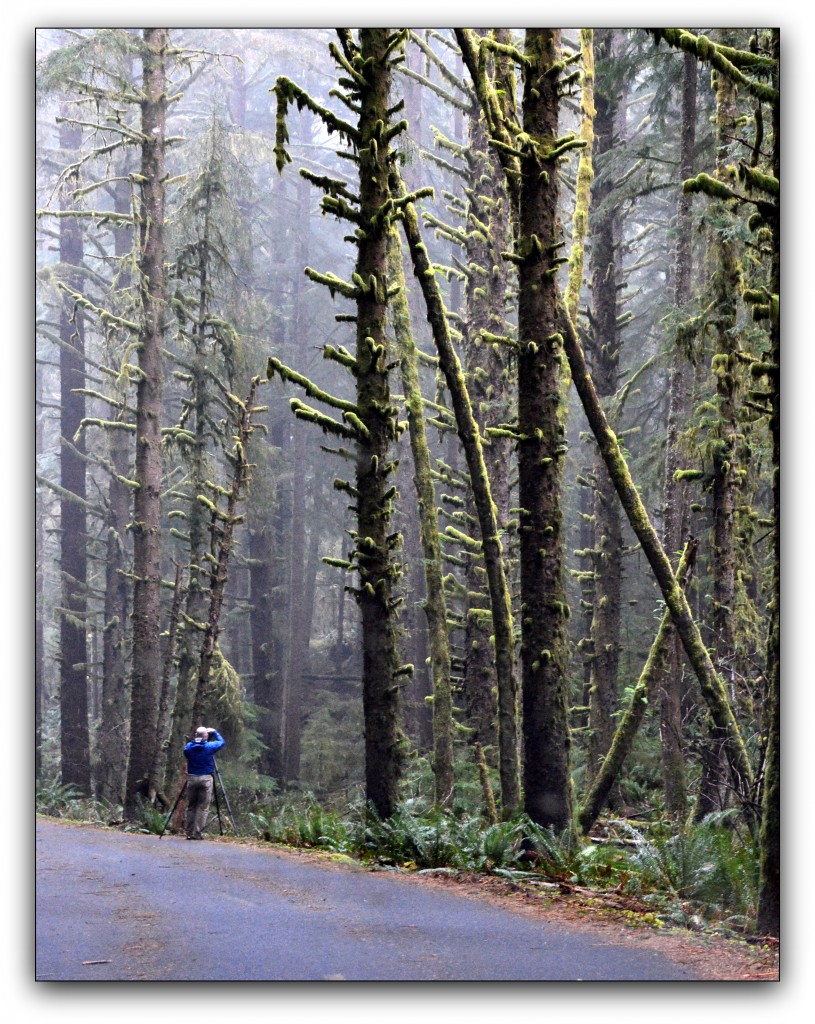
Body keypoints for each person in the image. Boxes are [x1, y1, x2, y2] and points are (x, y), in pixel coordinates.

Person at [182, 725, 226, 840]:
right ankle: (197, 833)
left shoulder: (188, 748)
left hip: (191, 778)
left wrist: (198, 738)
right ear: (206, 736)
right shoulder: (210, 747)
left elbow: (188, 750)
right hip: (206, 778)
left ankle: (188, 832)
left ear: (196, 735)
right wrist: (215, 732)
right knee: (203, 807)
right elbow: (221, 742)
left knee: (191, 806)